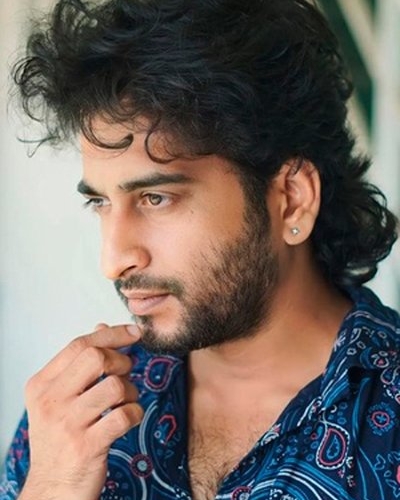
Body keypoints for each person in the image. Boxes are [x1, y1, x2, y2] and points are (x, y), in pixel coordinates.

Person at [1, 0, 399, 499]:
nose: (114, 261)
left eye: (156, 198)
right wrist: (52, 486)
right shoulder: (79, 415)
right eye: (100, 203)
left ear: (292, 199)